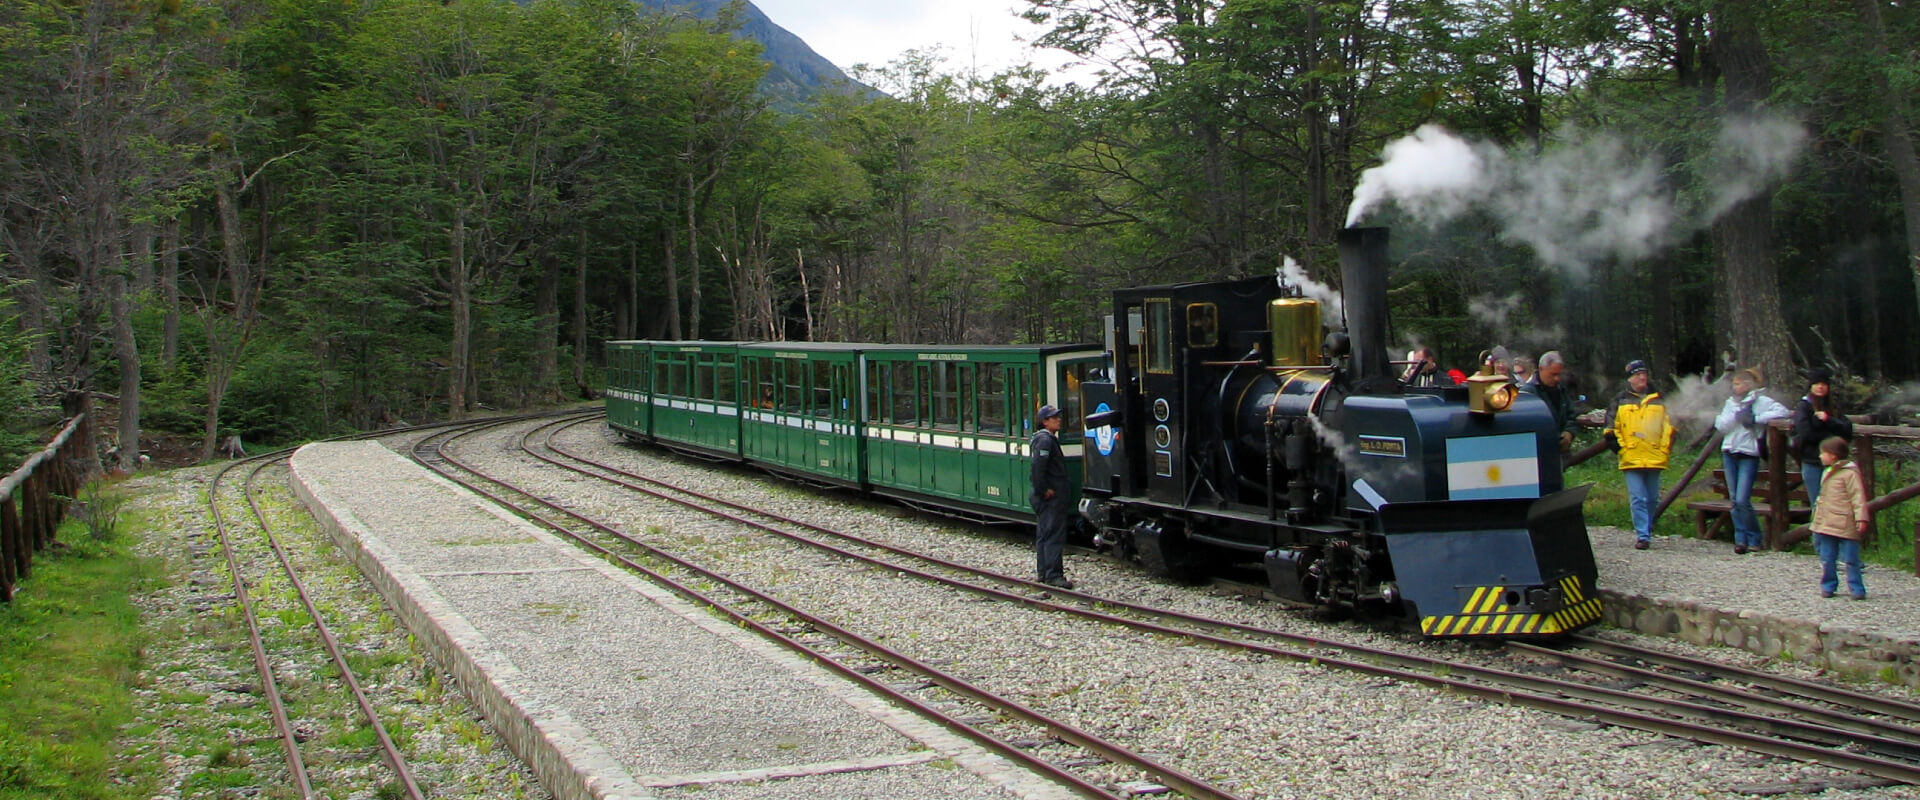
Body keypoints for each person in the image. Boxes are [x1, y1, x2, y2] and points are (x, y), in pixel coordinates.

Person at [1714, 368, 1790, 554]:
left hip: (1748, 453)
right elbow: (1721, 425)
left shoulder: (1761, 402)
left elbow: (1783, 412)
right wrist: (1736, 416)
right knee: (1734, 499)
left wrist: (1756, 418)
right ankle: (1741, 539)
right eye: (1734, 384)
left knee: (1742, 498)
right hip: (1730, 451)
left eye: (1738, 384)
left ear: (1748, 384)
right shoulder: (1731, 403)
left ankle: (1755, 536)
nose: (1735, 387)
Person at [1606, 360, 1674, 550]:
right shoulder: (1619, 400)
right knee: (1637, 498)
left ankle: (1647, 529)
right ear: (1630, 378)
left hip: (1654, 455)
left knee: (1652, 499)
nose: (1642, 378)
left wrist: (1664, 449)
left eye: (1644, 374)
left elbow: (1669, 427)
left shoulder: (1659, 398)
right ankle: (1642, 535)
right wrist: (1622, 449)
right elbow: (1611, 428)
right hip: (1631, 456)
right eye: (1637, 375)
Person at [1810, 436, 1869, 600]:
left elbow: (1858, 497)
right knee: (1827, 558)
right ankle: (1828, 586)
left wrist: (1861, 518)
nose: (1820, 456)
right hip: (1827, 523)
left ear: (1833, 455)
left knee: (1851, 559)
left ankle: (1857, 588)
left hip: (1845, 522)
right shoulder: (1827, 472)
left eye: (1823, 453)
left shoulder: (1850, 474)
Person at [1791, 367, 1853, 508]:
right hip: (1813, 461)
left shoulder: (1833, 406)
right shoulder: (1804, 406)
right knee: (1818, 505)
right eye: (1816, 383)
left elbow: (1847, 429)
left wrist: (1828, 420)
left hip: (1835, 462)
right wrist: (1831, 436)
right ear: (1811, 386)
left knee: (1836, 504)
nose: (1820, 387)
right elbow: (1806, 433)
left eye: (1824, 384)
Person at [1030, 404, 1073, 589]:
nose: (1059, 420)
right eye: (1054, 417)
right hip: (1050, 497)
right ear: (1045, 421)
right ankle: (1053, 575)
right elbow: (1038, 467)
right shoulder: (1045, 441)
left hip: (1047, 496)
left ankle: (1044, 573)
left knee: (1044, 534)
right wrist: (1043, 490)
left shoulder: (1043, 439)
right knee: (1053, 535)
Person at [1522, 351, 1577, 452]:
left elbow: (1572, 416)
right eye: (1553, 374)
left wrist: (1569, 433)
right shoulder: (1528, 393)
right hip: (1538, 451)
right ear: (1541, 369)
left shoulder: (1561, 389)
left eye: (1559, 374)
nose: (1557, 379)